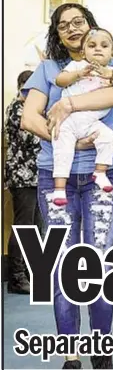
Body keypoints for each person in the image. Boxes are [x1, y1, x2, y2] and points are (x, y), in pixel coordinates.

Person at [20, 2, 113, 370]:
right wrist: (63, 138)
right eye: (63, 25)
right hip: (55, 175)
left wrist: (68, 105)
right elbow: (28, 117)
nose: (72, 29)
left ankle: (101, 349)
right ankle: (71, 353)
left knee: (101, 262)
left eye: (79, 22)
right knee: (62, 265)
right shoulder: (49, 69)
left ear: (91, 26)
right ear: (56, 34)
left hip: (103, 174)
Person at [51, 28, 113, 206]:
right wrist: (78, 74)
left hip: (91, 122)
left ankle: (100, 172)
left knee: (109, 137)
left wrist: (111, 74)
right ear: (83, 52)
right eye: (92, 45)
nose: (98, 49)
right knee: (62, 149)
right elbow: (60, 80)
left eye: (104, 46)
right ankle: (59, 188)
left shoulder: (112, 71)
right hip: (69, 120)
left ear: (112, 52)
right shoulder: (77, 66)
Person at [4, 70, 43, 295]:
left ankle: (32, 271)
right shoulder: (17, 109)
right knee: (24, 227)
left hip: (38, 175)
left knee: (37, 227)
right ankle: (16, 277)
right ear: (21, 87)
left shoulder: (33, 110)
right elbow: (31, 137)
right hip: (23, 176)